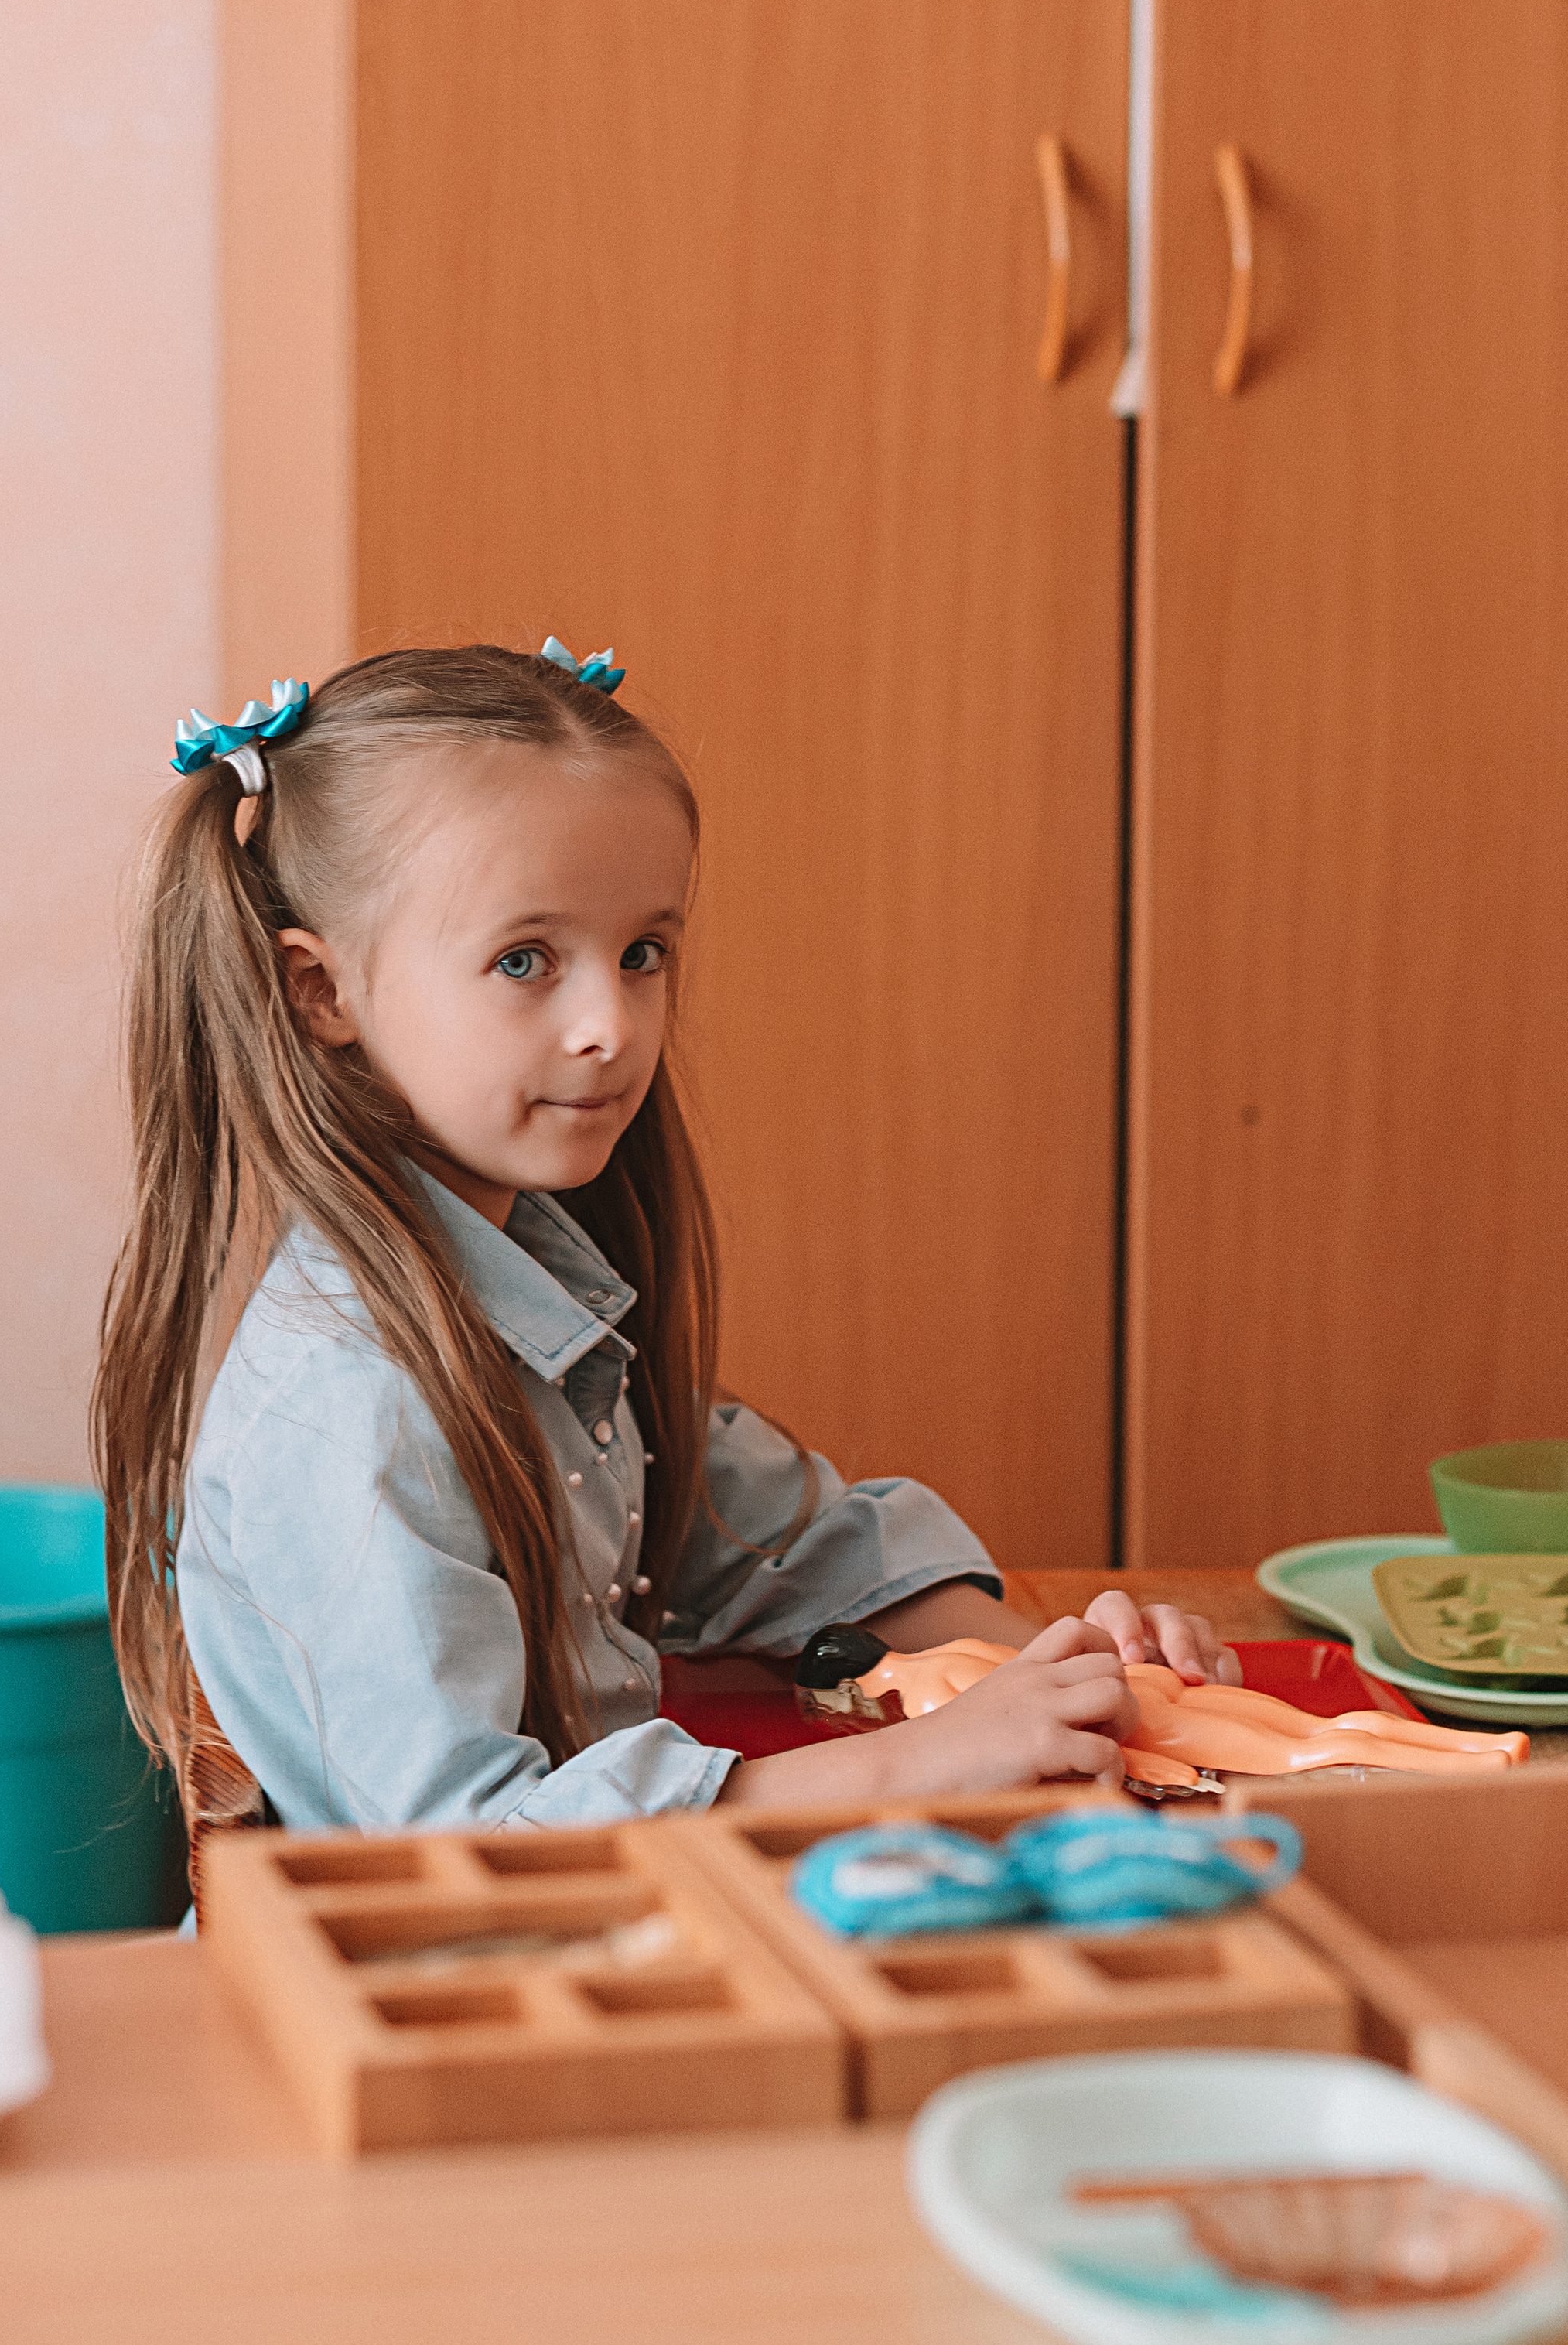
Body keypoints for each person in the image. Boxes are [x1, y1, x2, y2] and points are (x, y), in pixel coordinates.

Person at [91, 639, 1238, 1846]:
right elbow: (471, 1831)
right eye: (525, 961)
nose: (611, 1026)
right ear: (321, 993)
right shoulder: (350, 1405)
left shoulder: (532, 1290)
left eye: (642, 953)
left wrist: (1072, 1668)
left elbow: (778, 1542)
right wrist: (921, 1764)